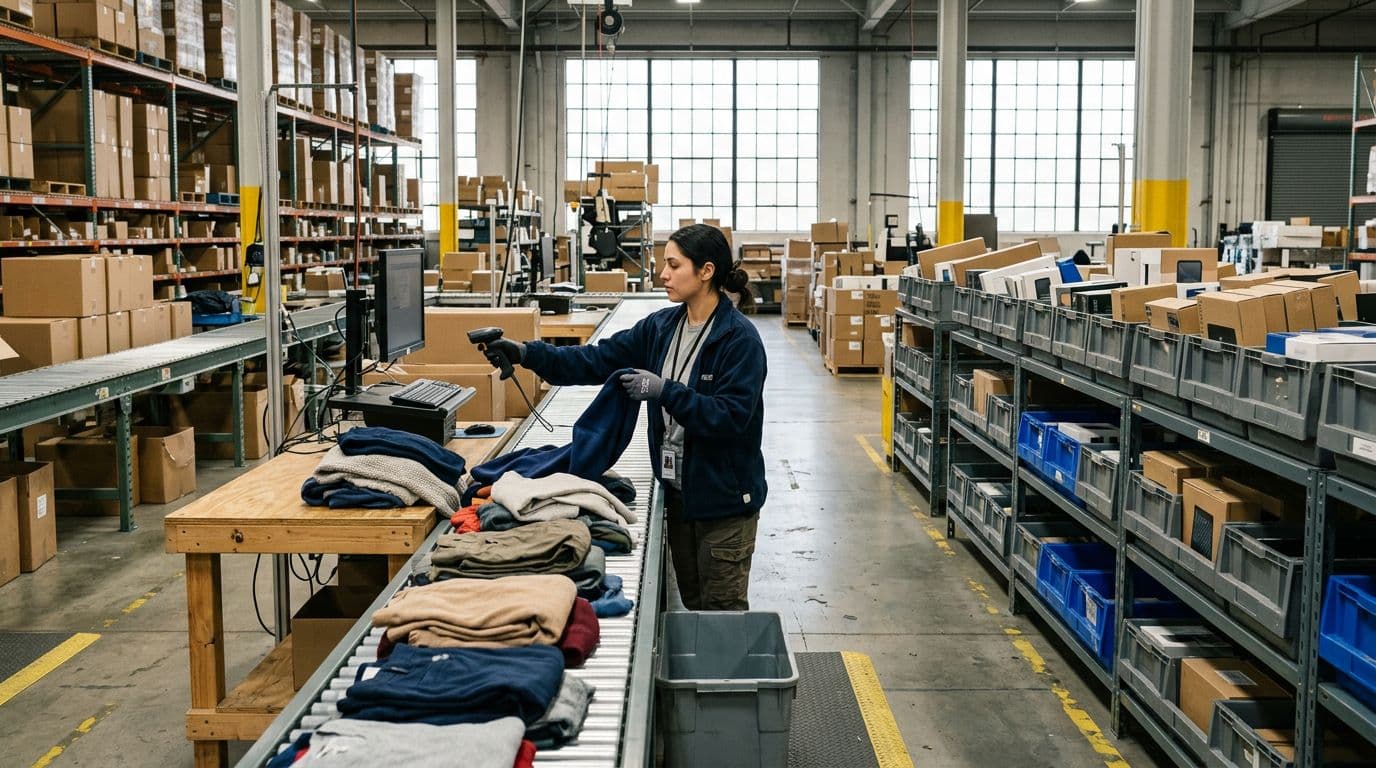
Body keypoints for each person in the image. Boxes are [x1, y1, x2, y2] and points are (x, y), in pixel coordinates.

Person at [483, 223, 768, 610]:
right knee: (692, 606)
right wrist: (526, 353)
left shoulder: (739, 340)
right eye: (663, 264)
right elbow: (595, 360)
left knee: (722, 616)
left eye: (674, 265)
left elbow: (731, 417)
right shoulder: (662, 327)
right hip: (679, 494)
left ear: (706, 271)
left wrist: (665, 391)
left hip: (724, 503)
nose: (663, 274)